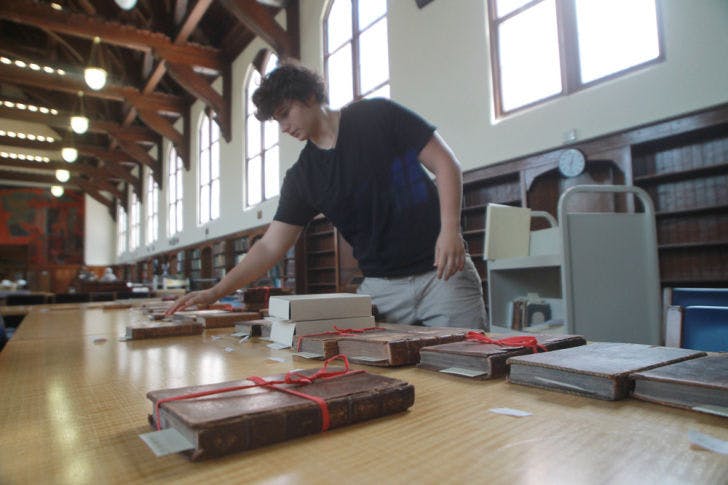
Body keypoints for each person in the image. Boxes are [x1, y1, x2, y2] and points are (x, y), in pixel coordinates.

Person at [167, 64, 486, 329]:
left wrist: (450, 230)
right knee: (377, 381)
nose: (283, 127)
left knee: (472, 373)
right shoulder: (303, 177)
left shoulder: (378, 115)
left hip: (443, 275)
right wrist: (216, 291)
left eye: (285, 113)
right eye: (277, 120)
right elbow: (269, 246)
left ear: (309, 95)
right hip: (380, 289)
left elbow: (445, 164)